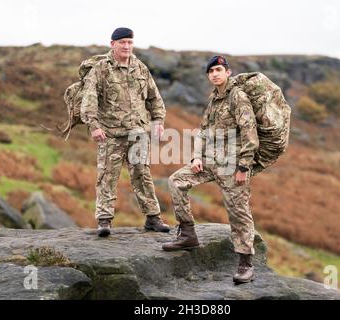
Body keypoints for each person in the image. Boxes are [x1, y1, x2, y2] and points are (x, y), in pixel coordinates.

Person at [162, 55, 259, 284]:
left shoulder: (238, 97)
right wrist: (196, 156)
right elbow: (203, 131)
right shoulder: (214, 99)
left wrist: (244, 166)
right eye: (211, 71)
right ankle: (187, 234)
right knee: (176, 181)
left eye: (218, 69)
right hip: (209, 162)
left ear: (228, 72)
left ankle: (245, 264)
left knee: (238, 212)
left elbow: (249, 133)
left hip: (233, 165)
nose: (215, 74)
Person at [81, 27, 170, 237]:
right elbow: (89, 99)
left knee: (143, 175)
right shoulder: (101, 69)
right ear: (113, 44)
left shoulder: (140, 68)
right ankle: (104, 221)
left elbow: (154, 98)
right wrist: (94, 126)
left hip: (138, 133)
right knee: (107, 177)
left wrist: (158, 120)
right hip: (110, 134)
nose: (127, 46)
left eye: (130, 42)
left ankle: (153, 218)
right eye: (122, 42)